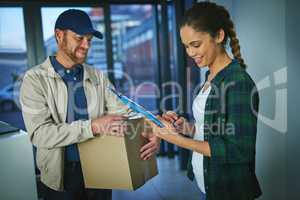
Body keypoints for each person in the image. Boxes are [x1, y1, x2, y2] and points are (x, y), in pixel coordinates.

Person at [20, 9, 159, 200]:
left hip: (100, 171)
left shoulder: (97, 76)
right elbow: (40, 135)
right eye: (79, 38)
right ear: (59, 36)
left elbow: (125, 110)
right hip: (61, 178)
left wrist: (153, 128)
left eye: (89, 40)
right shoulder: (34, 79)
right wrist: (93, 126)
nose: (86, 45)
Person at [148, 2, 262, 200]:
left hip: (230, 192)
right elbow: (213, 130)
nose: (190, 53)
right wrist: (186, 128)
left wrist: (177, 140)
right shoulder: (210, 76)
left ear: (219, 36)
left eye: (196, 44)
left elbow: (238, 150)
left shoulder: (238, 82)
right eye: (186, 46)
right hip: (209, 188)